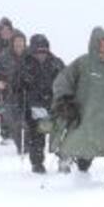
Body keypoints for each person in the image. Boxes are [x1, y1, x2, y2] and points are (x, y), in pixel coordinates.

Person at [50, 27, 104, 186]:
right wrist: (65, 100)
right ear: (94, 45)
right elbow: (62, 81)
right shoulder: (82, 63)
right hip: (86, 115)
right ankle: (72, 169)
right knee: (80, 143)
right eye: (100, 44)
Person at [18, 34, 66, 174]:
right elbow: (17, 89)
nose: (41, 54)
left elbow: (66, 82)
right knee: (36, 137)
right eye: (38, 51)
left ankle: (64, 161)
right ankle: (37, 163)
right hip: (33, 108)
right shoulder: (25, 64)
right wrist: (23, 107)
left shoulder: (56, 63)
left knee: (61, 134)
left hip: (55, 106)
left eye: (44, 51)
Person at [0, 29, 29, 155]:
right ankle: (21, 148)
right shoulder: (3, 57)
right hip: (9, 94)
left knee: (28, 123)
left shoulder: (29, 56)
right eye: (17, 41)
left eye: (21, 41)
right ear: (12, 43)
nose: (19, 44)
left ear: (25, 43)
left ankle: (27, 147)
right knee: (15, 122)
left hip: (26, 93)